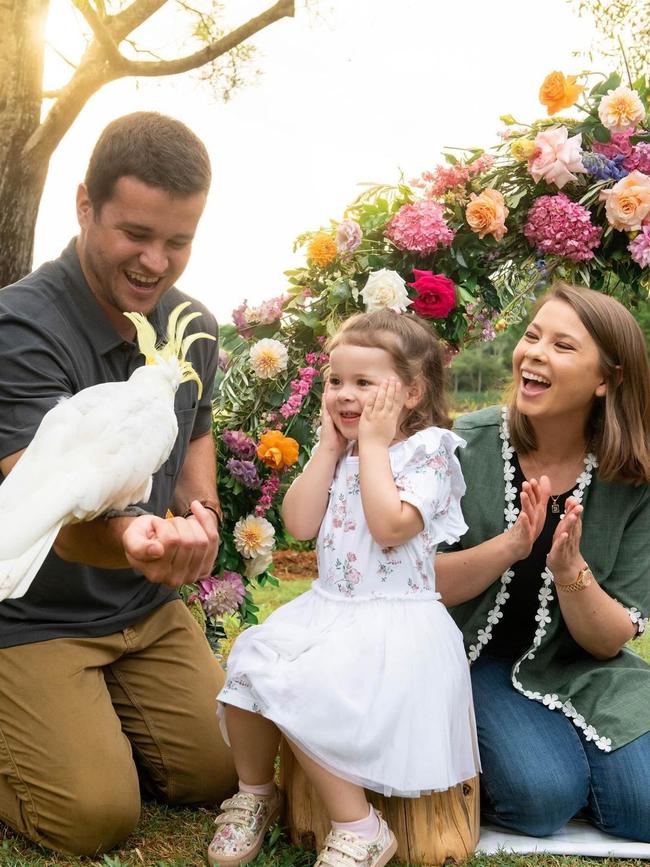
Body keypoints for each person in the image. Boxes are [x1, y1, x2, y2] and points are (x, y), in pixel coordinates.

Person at [0, 112, 237, 856]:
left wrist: (199, 522)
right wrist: (136, 539)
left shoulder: (191, 323)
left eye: (178, 241)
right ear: (83, 206)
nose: (156, 261)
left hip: (145, 608)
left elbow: (195, 448)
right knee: (93, 816)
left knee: (227, 769)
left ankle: (84, 723)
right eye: (135, 233)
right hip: (32, 618)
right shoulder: (19, 330)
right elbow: (48, 520)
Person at [208, 310, 480, 867]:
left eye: (364, 383)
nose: (344, 395)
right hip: (330, 611)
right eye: (335, 382)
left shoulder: (429, 450)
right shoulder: (344, 451)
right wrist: (329, 451)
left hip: (394, 624)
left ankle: (359, 827)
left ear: (412, 391)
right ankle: (256, 793)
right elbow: (300, 525)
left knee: (308, 688)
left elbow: (390, 527)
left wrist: (374, 448)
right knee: (250, 658)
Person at [436, 282, 650, 842]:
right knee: (540, 799)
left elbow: (608, 640)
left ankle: (568, 761)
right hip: (471, 660)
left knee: (644, 807)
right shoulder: (462, 447)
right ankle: (546, 765)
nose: (534, 352)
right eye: (532, 336)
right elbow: (421, 583)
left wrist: (569, 573)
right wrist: (510, 546)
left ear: (607, 379)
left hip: (584, 667)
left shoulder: (634, 480)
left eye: (562, 346)